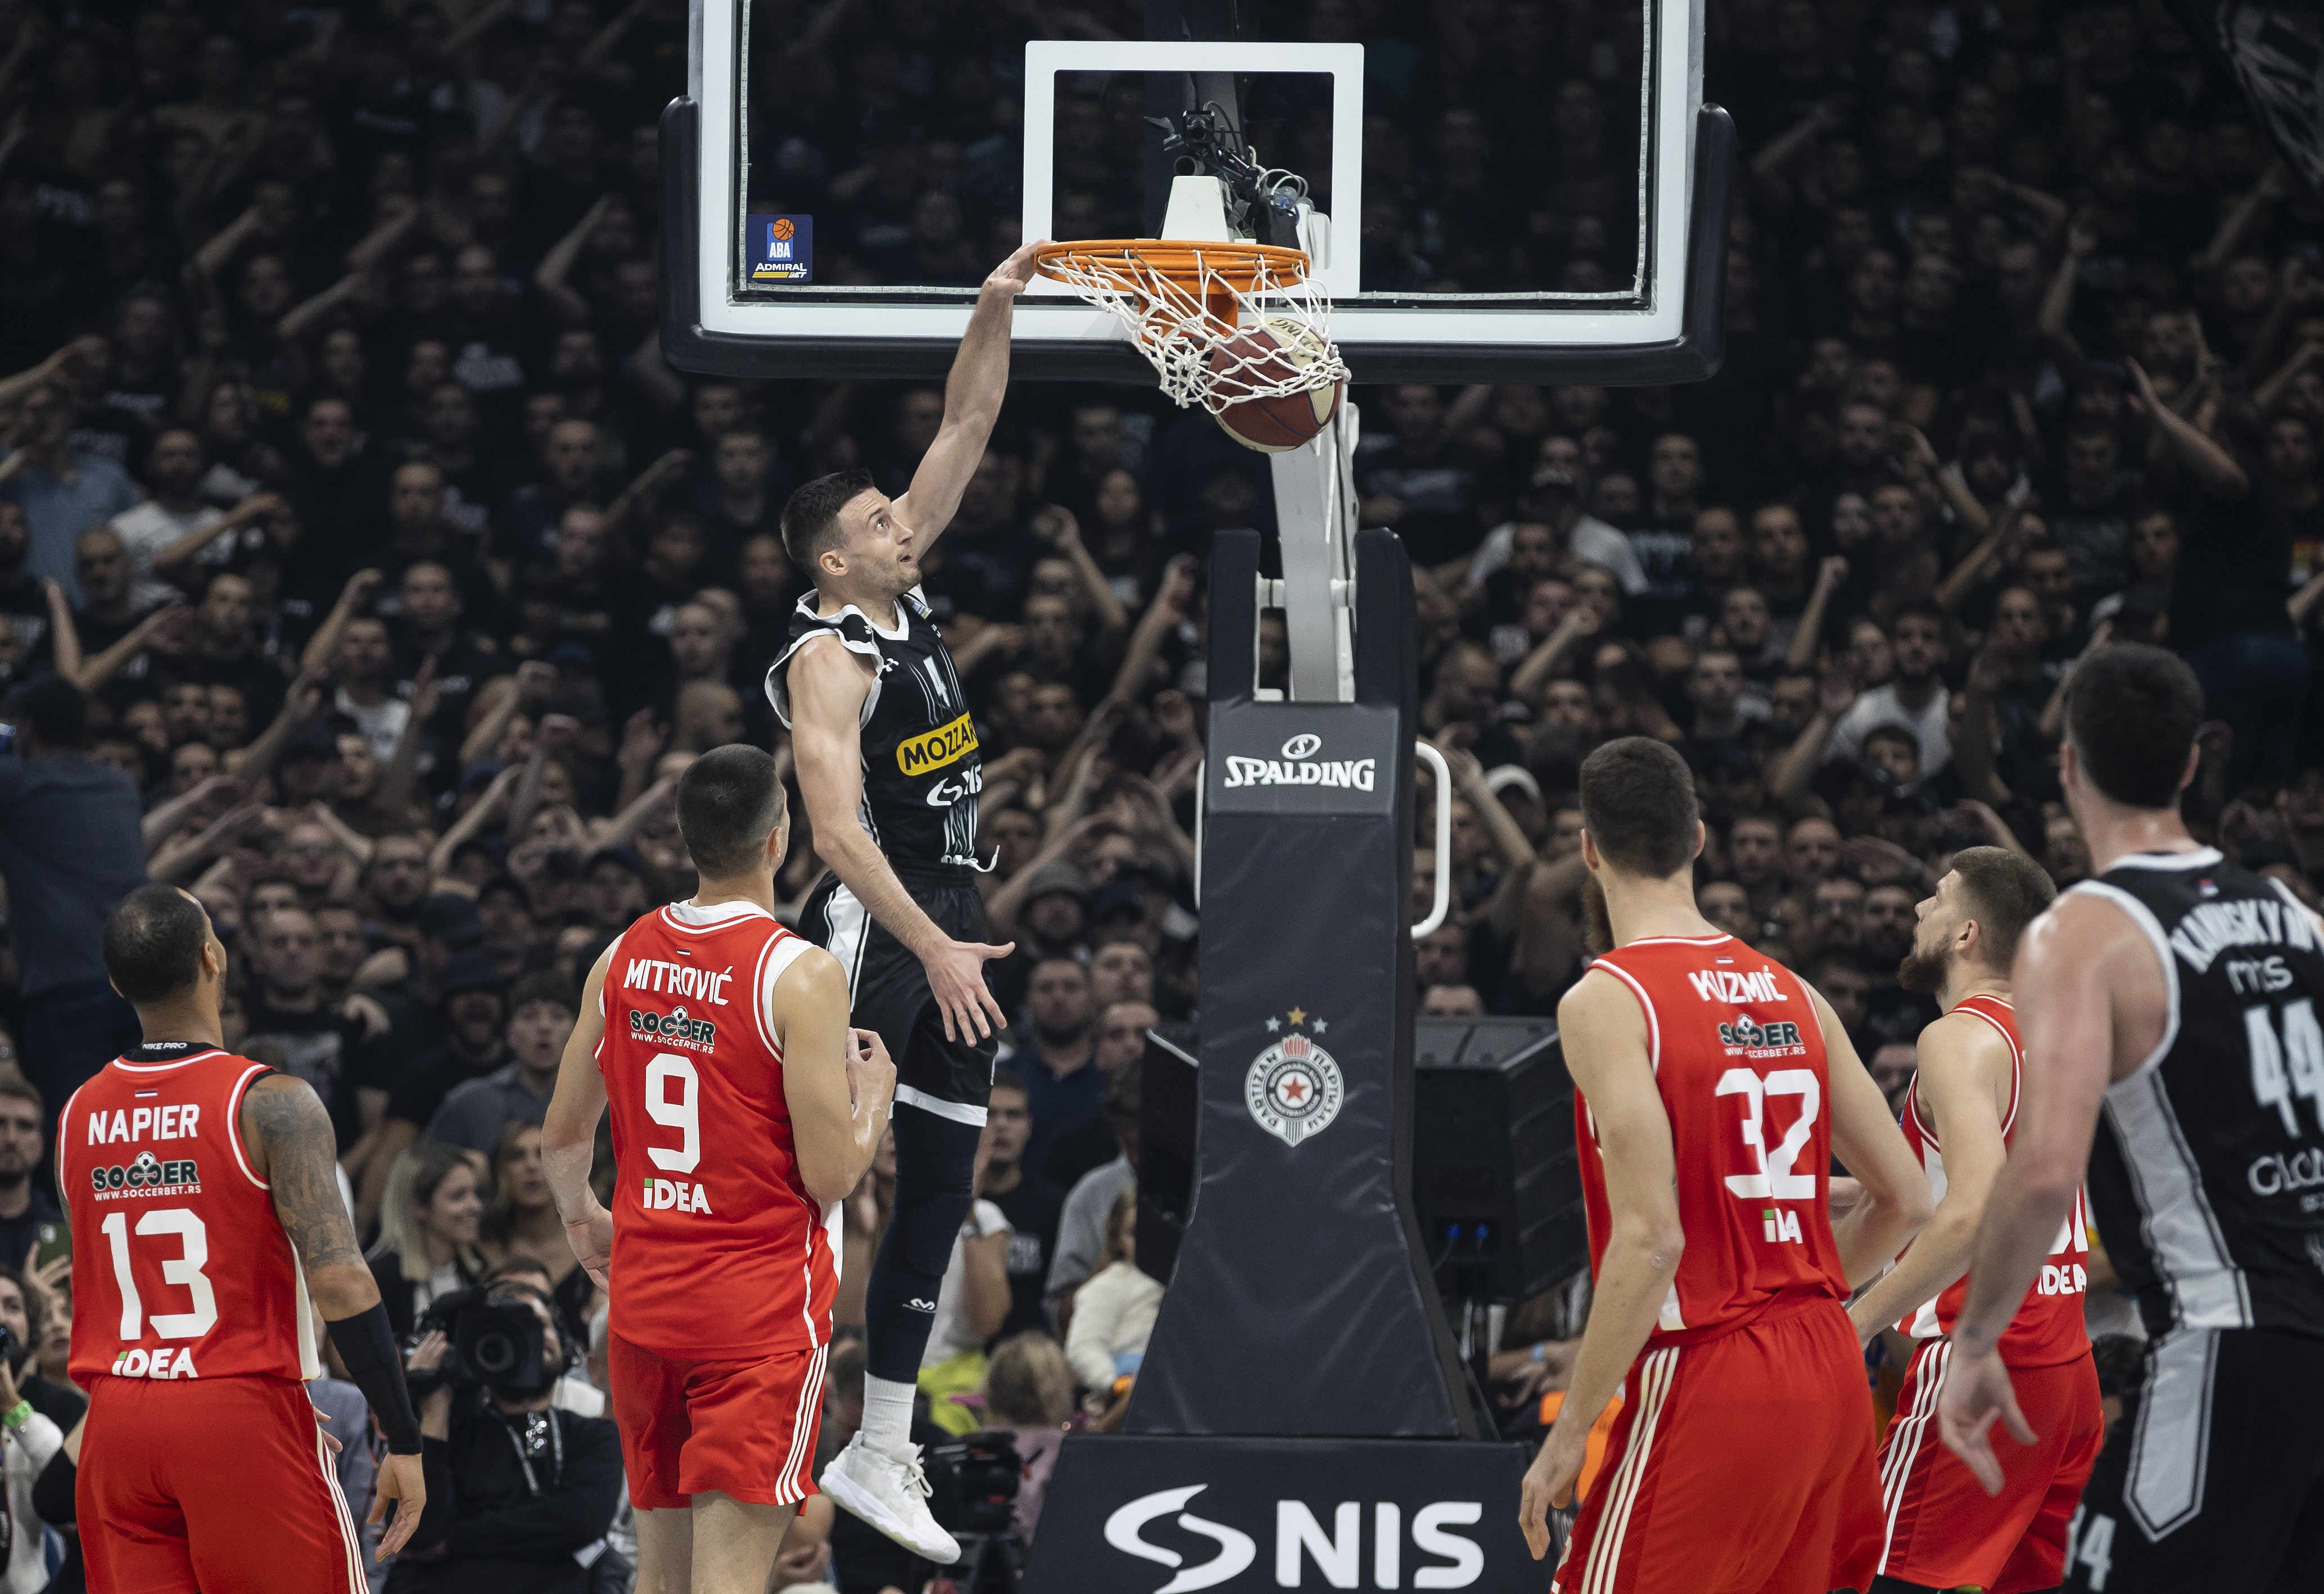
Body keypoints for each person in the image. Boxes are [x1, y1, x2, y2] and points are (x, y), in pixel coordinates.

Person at [764, 240, 1041, 1564]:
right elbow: (827, 828)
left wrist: (994, 303)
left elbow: (969, 417)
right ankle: (777, 1426)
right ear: (831, 561)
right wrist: (929, 943)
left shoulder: (905, 597)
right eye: (879, 521)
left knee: (943, 1179)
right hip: (882, 926)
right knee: (835, 1185)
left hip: (949, 916)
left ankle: (881, 1448)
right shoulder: (828, 656)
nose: (903, 524)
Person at [1943, 645, 2324, 1593]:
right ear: (2191, 762)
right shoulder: (2283, 910)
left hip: (2225, 1333)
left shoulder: (2081, 931)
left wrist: (1977, 1338)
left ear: (2066, 763)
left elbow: (2039, 1173)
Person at [1517, 737, 1931, 1591]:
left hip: (1709, 1369)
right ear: (1699, 839)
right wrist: (1794, 1299)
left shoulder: (1607, 998)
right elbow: (1903, 1197)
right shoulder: (1793, 990)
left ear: (1588, 849)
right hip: (1824, 1364)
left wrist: (1568, 1433)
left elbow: (1650, 1240)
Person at [541, 745, 896, 1594]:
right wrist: (875, 1096)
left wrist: (582, 1219)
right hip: (754, 1322)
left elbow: (561, 1138)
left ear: (684, 837)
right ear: (780, 839)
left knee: (657, 1583)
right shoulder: (798, 973)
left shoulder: (623, 953)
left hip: (645, 1309)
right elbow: (832, 1176)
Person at [64, 884, 425, 1589]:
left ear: (116, 982)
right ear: (212, 956)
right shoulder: (271, 1102)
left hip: (115, 1423)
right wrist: (401, 1436)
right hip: (234, 1409)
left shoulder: (77, 1113)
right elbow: (342, 1279)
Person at [1840, 848, 2101, 1594]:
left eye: (1936, 896)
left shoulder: (1954, 1039)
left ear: (1964, 936)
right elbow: (1927, 1190)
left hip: (1983, 1363)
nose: (1921, 908)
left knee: (1881, 1577)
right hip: (2065, 1373)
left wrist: (1854, 1324)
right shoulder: (2052, 1038)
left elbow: (1972, 1208)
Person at [390, 1277, 623, 1594]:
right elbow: (419, 1535)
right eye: (508, 1327)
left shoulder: (584, 1434)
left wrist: (452, 1539)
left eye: (536, 1324)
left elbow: (580, 1520)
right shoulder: (445, 1431)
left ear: (565, 1342)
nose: (526, 1339)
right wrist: (435, 1408)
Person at [0, 678, 147, 1108]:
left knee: (76, 1124)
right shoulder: (120, 786)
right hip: (138, 986)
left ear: (26, 727)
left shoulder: (16, 785)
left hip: (63, 991)